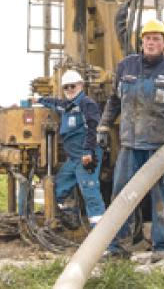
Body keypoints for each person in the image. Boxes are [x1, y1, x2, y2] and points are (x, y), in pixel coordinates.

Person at [98, 19, 164, 263]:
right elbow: (114, 101)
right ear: (141, 41)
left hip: (162, 147)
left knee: (162, 196)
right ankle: (118, 247)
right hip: (131, 146)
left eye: (156, 39)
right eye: (147, 38)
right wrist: (103, 125)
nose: (151, 42)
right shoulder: (125, 67)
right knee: (122, 196)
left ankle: (162, 248)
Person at [31, 69, 106, 228]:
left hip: (86, 156)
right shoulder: (67, 106)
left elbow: (93, 128)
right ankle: (68, 216)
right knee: (58, 187)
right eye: (66, 87)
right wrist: (39, 99)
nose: (69, 90)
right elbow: (56, 103)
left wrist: (88, 152)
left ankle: (102, 238)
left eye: (73, 86)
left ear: (81, 85)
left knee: (90, 193)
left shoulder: (87, 104)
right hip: (73, 158)